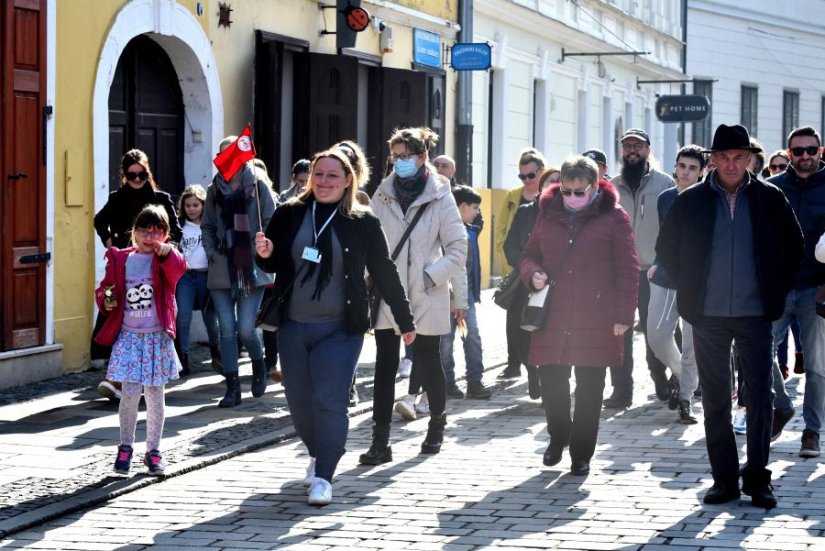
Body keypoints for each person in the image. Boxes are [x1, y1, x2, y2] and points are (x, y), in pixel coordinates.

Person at [254, 147, 415, 506]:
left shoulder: (363, 222)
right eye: (319, 174)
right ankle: (317, 452)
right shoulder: (290, 213)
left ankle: (325, 475)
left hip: (341, 329)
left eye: (332, 176)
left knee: (330, 400)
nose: (324, 181)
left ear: (347, 181)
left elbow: (384, 270)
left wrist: (405, 319)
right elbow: (277, 261)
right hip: (293, 326)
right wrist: (263, 253)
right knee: (299, 403)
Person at [656, 123, 803, 508]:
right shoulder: (691, 202)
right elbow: (667, 248)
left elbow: (794, 247)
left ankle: (757, 478)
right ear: (713, 160)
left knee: (759, 397)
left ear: (750, 159)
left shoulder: (771, 198)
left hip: (756, 314)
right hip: (707, 315)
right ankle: (724, 480)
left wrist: (775, 289)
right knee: (716, 399)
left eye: (739, 157)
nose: (732, 164)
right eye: (724, 157)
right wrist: (690, 283)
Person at [520, 155, 639, 476]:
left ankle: (582, 453)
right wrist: (533, 274)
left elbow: (629, 269)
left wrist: (623, 315)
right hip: (554, 314)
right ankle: (559, 435)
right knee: (552, 383)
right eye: (567, 192)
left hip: (597, 315)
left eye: (579, 192)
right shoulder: (548, 213)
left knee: (590, 388)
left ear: (595, 187)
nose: (572, 198)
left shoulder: (614, 217)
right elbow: (529, 255)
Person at [359, 126, 467, 466]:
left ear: (422, 157)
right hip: (389, 294)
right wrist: (368, 276)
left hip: (425, 293)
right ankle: (381, 440)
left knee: (428, 361)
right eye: (396, 156)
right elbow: (368, 239)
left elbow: (458, 248)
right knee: (385, 366)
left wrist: (429, 276)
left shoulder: (440, 195)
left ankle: (436, 423)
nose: (401, 162)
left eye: (407, 156)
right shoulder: (383, 193)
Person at [94, 205, 187, 476]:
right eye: (145, 230)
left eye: (157, 231)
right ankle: (125, 448)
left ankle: (153, 451)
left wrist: (168, 252)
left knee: (156, 396)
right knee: (130, 394)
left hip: (156, 337)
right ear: (134, 233)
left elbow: (179, 269)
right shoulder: (121, 258)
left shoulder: (165, 259)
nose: (150, 236)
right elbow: (106, 290)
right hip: (130, 337)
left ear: (166, 235)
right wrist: (107, 300)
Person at [93, 149, 182, 401]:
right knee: (120, 317)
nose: (136, 179)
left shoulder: (161, 199)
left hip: (155, 269)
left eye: (141, 174)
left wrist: (166, 252)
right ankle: (119, 378)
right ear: (124, 175)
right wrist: (111, 243)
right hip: (126, 268)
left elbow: (176, 232)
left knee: (153, 321)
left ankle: (137, 380)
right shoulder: (117, 198)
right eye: (131, 175)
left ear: (147, 173)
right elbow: (100, 220)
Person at [202, 136, 276, 407]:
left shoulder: (258, 186)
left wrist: (263, 245)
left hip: (251, 265)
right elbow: (207, 225)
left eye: (231, 153)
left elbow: (272, 221)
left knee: (246, 328)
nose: (226, 159)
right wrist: (211, 252)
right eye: (222, 154)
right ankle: (232, 388)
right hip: (222, 266)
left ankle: (259, 364)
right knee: (226, 329)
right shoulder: (214, 189)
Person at [605, 128, 675, 408]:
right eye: (627, 146)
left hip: (653, 271)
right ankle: (621, 391)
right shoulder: (610, 186)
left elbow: (672, 230)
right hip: (618, 273)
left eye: (638, 146)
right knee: (617, 332)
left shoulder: (665, 184)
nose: (632, 151)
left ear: (648, 149)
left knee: (654, 332)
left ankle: (660, 376)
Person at [767, 125, 825, 457]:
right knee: (758, 353)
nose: (805, 156)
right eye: (798, 151)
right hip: (777, 286)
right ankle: (782, 405)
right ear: (789, 154)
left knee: (817, 366)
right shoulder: (772, 188)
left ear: (820, 151)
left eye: (811, 150)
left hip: (816, 288)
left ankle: (812, 432)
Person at [646, 145, 706, 424]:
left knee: (692, 343)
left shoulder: (710, 199)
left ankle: (685, 399)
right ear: (675, 167)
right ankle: (685, 378)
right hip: (666, 275)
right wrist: (658, 261)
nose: (686, 172)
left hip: (698, 280)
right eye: (682, 166)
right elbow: (665, 238)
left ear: (702, 171)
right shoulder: (665, 198)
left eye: (693, 168)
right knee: (656, 336)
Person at [503, 167, 560, 400]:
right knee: (520, 330)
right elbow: (510, 247)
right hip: (527, 280)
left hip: (556, 284)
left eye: (559, 181)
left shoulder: (569, 212)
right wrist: (530, 269)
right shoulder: (526, 211)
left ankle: (551, 378)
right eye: (549, 181)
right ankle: (531, 371)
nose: (554, 185)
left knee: (551, 331)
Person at [494, 148, 547, 381]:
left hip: (543, 273)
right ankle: (514, 362)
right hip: (516, 269)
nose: (526, 181)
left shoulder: (552, 197)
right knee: (514, 319)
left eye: (530, 176)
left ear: (541, 172)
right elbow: (503, 231)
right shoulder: (514, 197)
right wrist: (510, 262)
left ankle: (539, 366)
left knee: (538, 318)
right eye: (522, 176)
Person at [437, 185, 491, 400]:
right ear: (461, 207)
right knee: (446, 339)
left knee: (472, 337)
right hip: (446, 294)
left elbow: (469, 268)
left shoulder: (469, 229)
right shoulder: (444, 232)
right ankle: (447, 382)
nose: (477, 212)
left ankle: (475, 381)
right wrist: (453, 298)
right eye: (475, 207)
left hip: (466, 293)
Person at [175, 185, 222, 377]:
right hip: (185, 276)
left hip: (206, 275)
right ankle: (183, 358)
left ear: (203, 205)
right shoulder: (179, 226)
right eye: (188, 205)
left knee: (210, 316)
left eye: (196, 205)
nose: (192, 209)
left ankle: (216, 353)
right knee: (183, 316)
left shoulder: (210, 225)